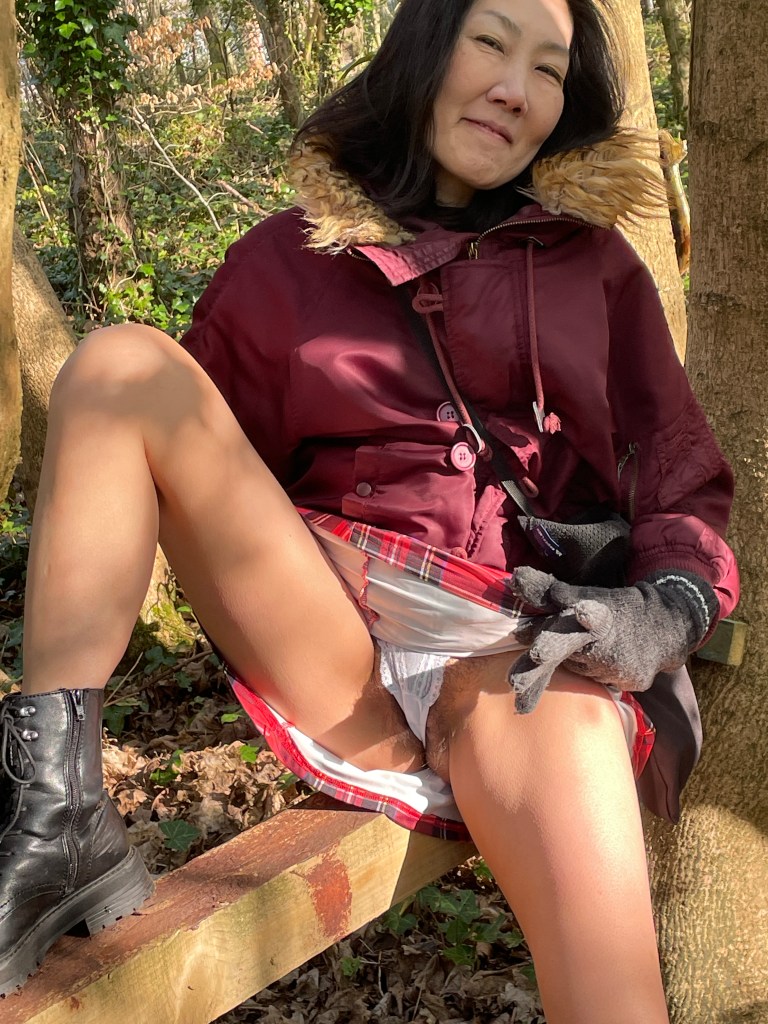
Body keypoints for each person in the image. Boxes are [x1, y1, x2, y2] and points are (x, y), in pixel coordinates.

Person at [0, 0, 739, 1020]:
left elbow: (680, 479)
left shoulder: (597, 268)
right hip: (336, 637)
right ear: (428, 48)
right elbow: (196, 466)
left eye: (549, 69)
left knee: (612, 994)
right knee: (121, 365)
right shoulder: (286, 261)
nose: (514, 89)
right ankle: (57, 814)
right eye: (490, 43)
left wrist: (667, 606)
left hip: (516, 655)